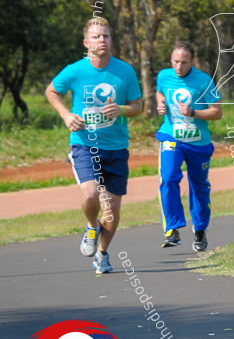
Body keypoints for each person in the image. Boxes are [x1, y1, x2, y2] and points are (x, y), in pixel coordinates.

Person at [45, 17, 142, 274]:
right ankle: (91, 225)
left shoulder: (125, 71)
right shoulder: (75, 70)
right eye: (97, 37)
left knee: (111, 208)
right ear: (86, 42)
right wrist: (67, 116)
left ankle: (102, 254)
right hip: (85, 145)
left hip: (117, 147)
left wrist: (120, 109)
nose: (102, 40)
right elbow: (51, 91)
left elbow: (137, 107)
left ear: (111, 40)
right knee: (89, 195)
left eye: (106, 36)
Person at [155, 41, 222, 250]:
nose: (179, 66)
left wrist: (194, 112)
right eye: (175, 61)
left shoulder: (203, 81)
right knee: (168, 178)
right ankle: (172, 228)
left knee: (199, 186)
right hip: (171, 137)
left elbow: (217, 112)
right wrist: (160, 103)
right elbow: (160, 91)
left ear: (192, 61)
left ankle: (200, 229)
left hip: (198, 142)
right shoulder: (164, 76)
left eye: (184, 62)